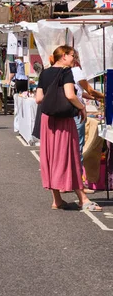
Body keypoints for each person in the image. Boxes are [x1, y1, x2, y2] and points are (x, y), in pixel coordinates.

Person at [35, 45, 101, 212]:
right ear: (63, 56)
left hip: (47, 119)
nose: (74, 59)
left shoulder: (45, 72)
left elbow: (38, 98)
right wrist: (82, 108)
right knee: (70, 155)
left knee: (51, 157)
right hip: (63, 119)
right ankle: (83, 199)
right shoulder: (66, 72)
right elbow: (70, 94)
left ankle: (57, 199)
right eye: (72, 55)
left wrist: (53, 101)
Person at [71, 50, 104, 167]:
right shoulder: (76, 71)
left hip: (68, 111)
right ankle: (77, 179)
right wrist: (105, 96)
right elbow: (90, 90)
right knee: (77, 146)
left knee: (70, 145)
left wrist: (94, 97)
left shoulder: (65, 71)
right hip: (77, 112)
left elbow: (78, 92)